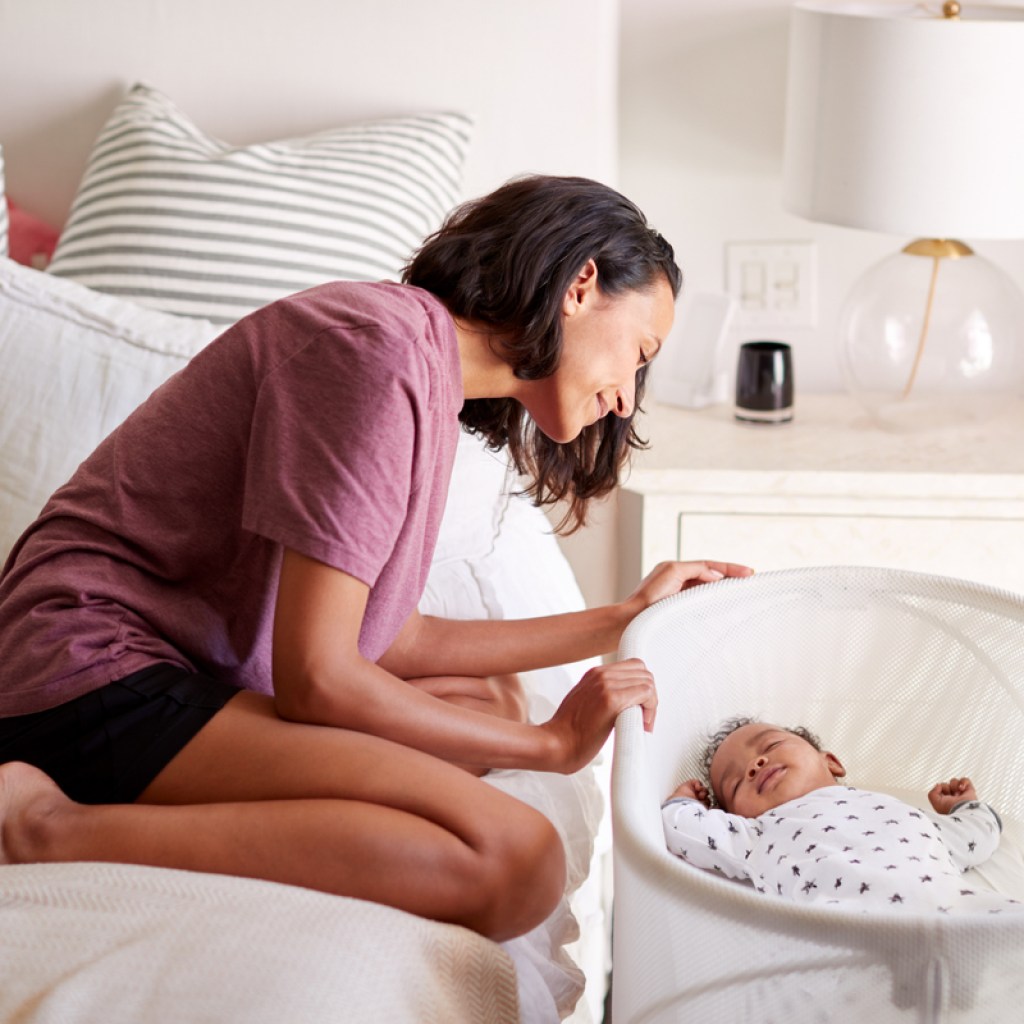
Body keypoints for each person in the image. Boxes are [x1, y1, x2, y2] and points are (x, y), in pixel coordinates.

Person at [0, 173, 753, 942]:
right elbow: (319, 678)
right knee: (517, 858)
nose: (626, 396)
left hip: (182, 669)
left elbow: (389, 638)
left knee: (489, 698)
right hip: (84, 672)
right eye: (639, 352)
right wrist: (549, 746)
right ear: (581, 286)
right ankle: (41, 829)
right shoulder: (376, 351)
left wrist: (622, 618)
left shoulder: (426, 373)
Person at [662, 717, 1022, 914]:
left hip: (954, 911)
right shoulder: (756, 834)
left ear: (831, 762)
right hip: (845, 932)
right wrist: (685, 804)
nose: (755, 765)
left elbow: (976, 835)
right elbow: (682, 830)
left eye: (771, 746)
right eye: (735, 782)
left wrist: (964, 806)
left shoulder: (899, 808)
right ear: (734, 816)